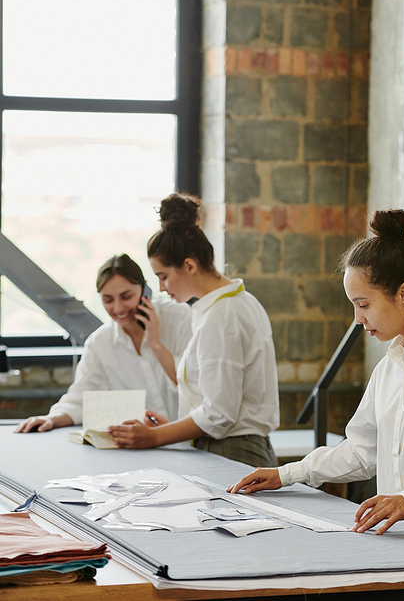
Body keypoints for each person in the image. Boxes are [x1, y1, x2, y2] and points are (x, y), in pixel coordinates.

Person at [227, 209, 404, 551]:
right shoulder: (390, 366)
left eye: (363, 304)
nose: (358, 318)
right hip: (403, 543)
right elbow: (360, 451)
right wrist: (286, 474)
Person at [108, 193, 280, 469]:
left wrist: (154, 437)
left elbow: (219, 414)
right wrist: (173, 428)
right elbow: (208, 391)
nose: (162, 287)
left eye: (163, 276)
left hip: (234, 452)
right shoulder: (227, 305)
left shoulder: (223, 315)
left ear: (189, 265)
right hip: (227, 447)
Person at [14, 254, 193, 433]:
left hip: (190, 438)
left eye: (126, 296)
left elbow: (193, 382)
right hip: (144, 445)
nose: (118, 308)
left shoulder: (180, 318)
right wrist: (51, 418)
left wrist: (155, 345)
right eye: (108, 300)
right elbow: (80, 397)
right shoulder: (100, 343)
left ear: (144, 289)